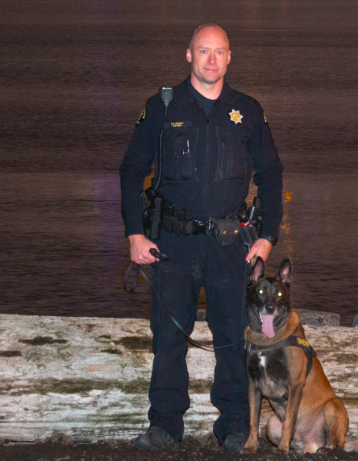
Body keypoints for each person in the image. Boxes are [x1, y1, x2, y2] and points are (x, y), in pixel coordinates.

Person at [119, 23, 283, 452]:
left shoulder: (247, 111)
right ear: (188, 55)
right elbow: (131, 171)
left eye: (219, 51)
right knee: (168, 338)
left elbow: (271, 174)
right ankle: (165, 426)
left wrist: (267, 237)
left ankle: (235, 427)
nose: (212, 59)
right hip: (172, 243)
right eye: (203, 51)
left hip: (231, 244)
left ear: (230, 57)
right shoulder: (161, 107)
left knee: (232, 336)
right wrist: (135, 234)